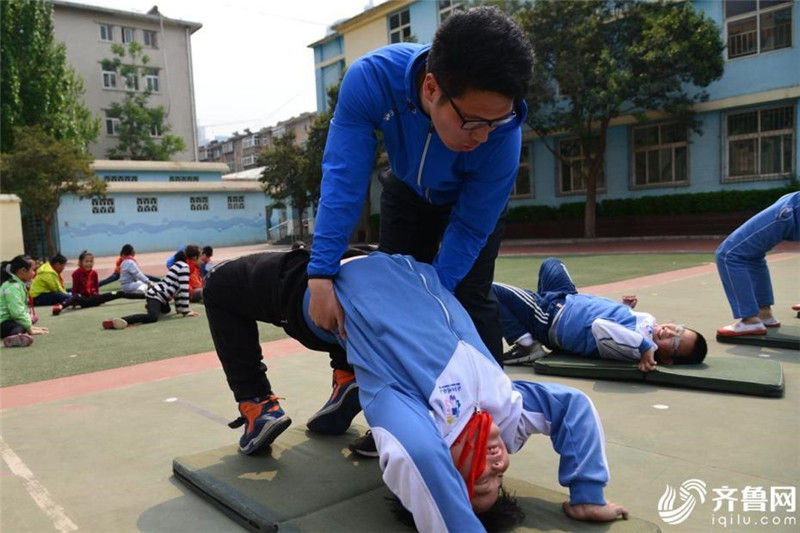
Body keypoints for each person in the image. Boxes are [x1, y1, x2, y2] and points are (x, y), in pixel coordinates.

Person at [205, 250, 628, 530]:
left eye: (477, 479)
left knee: (220, 285)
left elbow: (419, 459)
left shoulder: (408, 414)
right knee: (369, 348)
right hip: (400, 265)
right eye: (498, 479)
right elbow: (572, 407)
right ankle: (347, 376)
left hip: (321, 292)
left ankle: (258, 403)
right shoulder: (504, 414)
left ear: (446, 472)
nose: (495, 465)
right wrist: (586, 493)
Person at [307, 6, 534, 367]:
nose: (484, 136)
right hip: (408, 192)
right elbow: (343, 178)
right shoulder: (373, 79)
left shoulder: (502, 139)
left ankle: (491, 405)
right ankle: (357, 385)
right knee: (393, 294)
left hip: (468, 203)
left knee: (468, 296)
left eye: (497, 121)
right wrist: (320, 272)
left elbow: (471, 227)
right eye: (474, 122)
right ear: (431, 87)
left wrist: (435, 295)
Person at [492, 258, 707, 373]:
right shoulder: (646, 328)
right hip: (567, 299)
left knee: (492, 290)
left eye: (674, 342)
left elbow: (600, 326)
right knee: (551, 264)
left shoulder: (636, 348)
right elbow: (612, 320)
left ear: (668, 359)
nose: (669, 332)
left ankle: (526, 343)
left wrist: (644, 347)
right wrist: (624, 308)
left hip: (551, 318)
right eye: (677, 329)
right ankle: (527, 317)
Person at [716, 191, 800, 336]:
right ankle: (763, 313)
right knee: (753, 254)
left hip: (794, 207)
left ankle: (750, 320)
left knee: (728, 254)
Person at [101, 245, 200, 330]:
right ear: (195, 257)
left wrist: (180, 309)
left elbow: (177, 290)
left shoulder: (179, 264)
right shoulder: (184, 267)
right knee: (152, 317)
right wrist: (186, 311)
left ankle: (150, 305)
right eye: (199, 258)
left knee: (166, 310)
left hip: (160, 296)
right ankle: (121, 320)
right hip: (156, 295)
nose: (200, 261)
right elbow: (184, 290)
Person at [51, 250, 124, 315]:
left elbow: (96, 288)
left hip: (93, 299)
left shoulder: (94, 273)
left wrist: (98, 297)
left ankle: (135, 296)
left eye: (91, 261)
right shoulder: (76, 273)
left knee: (116, 293)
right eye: (86, 261)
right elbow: (74, 290)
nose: (89, 264)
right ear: (81, 262)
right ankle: (60, 306)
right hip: (82, 300)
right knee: (76, 297)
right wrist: (73, 303)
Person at [1, 256, 49, 347]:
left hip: (7, 320)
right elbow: (16, 312)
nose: (34, 273)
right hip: (2, 322)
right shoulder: (12, 287)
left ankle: (19, 334)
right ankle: (14, 338)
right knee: (19, 326)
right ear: (23, 271)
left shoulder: (17, 284)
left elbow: (21, 309)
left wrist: (29, 325)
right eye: (32, 270)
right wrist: (29, 327)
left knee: (24, 322)